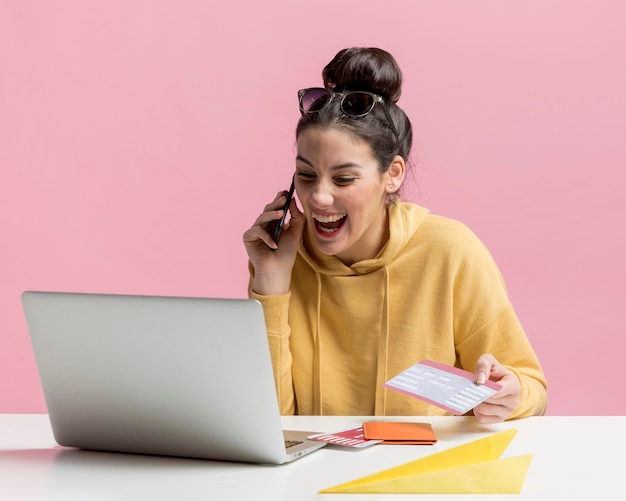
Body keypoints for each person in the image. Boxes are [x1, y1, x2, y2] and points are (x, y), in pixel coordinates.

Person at [243, 47, 547, 424]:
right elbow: (272, 426)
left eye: (344, 179)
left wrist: (511, 392)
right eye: (306, 175)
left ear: (394, 174)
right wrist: (271, 285)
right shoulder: (282, 262)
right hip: (312, 480)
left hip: (421, 478)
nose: (319, 197)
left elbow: (532, 388)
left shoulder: (450, 252)